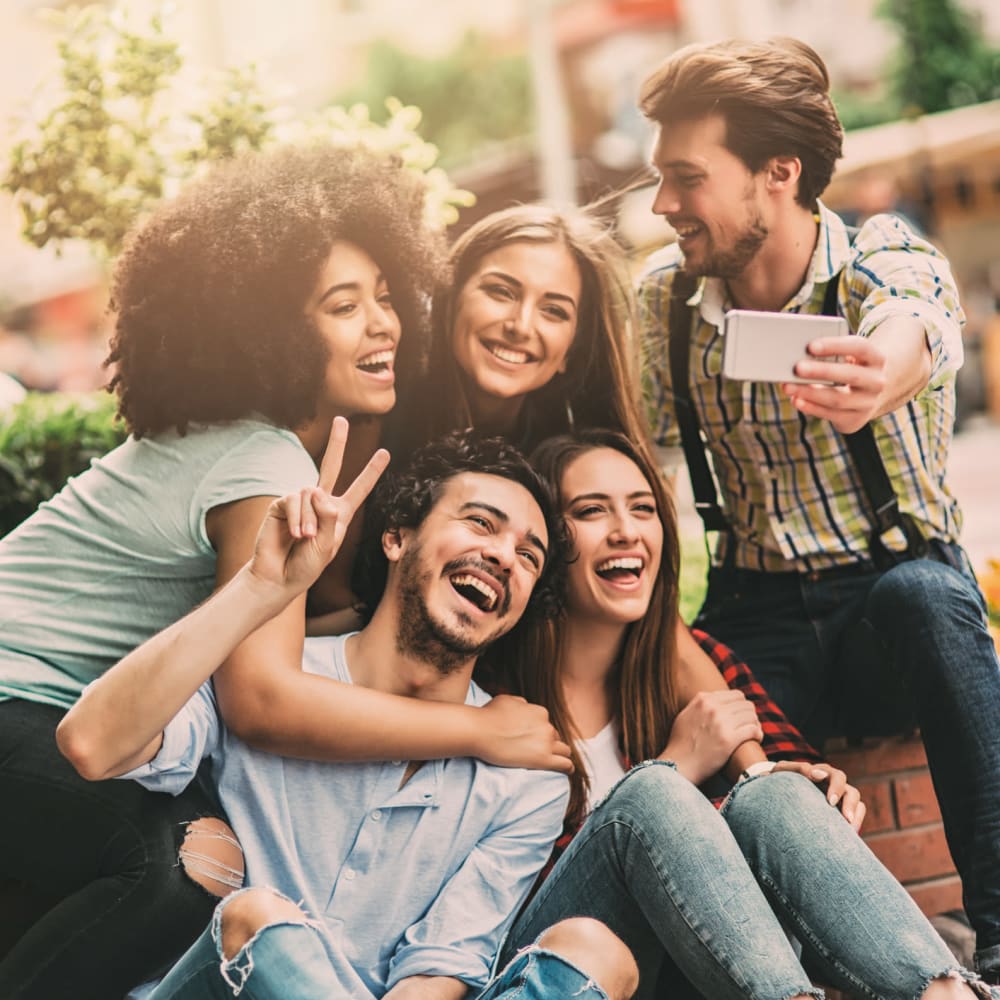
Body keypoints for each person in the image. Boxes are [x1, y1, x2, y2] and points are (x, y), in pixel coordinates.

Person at [0, 145, 565, 1000]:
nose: (384, 324)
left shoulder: (261, 442)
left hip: (60, 705)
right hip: (18, 695)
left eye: (385, 296)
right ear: (267, 330)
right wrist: (483, 734)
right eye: (344, 306)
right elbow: (262, 701)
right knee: (189, 868)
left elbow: (296, 637)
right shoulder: (265, 463)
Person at [636, 36, 1000, 984]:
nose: (662, 205)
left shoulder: (880, 255)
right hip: (758, 611)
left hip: (891, 596)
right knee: (709, 729)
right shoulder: (664, 305)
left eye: (685, 179)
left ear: (778, 175)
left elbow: (916, 315)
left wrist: (885, 365)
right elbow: (623, 452)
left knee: (930, 599)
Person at [57, 427, 637, 1000]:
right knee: (258, 919)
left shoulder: (528, 775)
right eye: (480, 523)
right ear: (396, 538)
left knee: (595, 952)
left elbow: (439, 969)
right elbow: (92, 742)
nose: (503, 555)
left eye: (529, 556)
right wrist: (259, 588)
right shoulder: (271, 678)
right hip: (226, 984)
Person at [486, 429, 996, 1000]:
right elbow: (497, 900)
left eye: (643, 509)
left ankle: (948, 994)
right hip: (563, 969)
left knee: (772, 792)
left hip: (706, 970)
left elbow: (787, 796)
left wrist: (814, 787)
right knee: (654, 794)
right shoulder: (496, 693)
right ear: (545, 539)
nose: (626, 530)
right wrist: (678, 765)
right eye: (590, 511)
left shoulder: (698, 663)